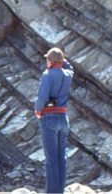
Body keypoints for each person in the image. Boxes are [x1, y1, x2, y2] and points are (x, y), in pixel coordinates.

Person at [34, 47, 74, 194]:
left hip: (48, 118)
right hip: (63, 118)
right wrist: (61, 59)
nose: (46, 61)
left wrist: (38, 111)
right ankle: (60, 192)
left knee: (51, 159)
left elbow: (42, 97)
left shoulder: (48, 75)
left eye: (47, 58)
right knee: (61, 158)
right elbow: (70, 67)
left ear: (50, 61)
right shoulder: (68, 74)